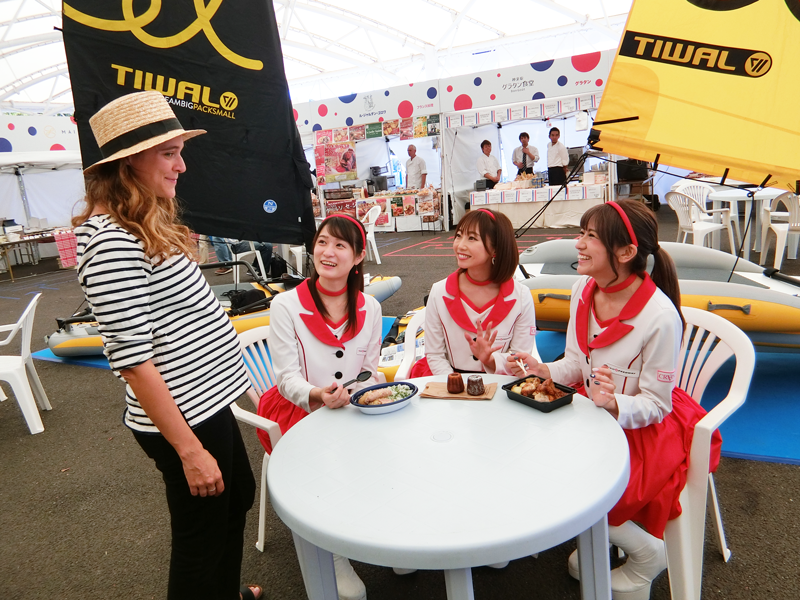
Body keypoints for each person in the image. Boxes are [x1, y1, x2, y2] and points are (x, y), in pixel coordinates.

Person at [72, 91, 261, 600]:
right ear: (129, 162)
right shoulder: (110, 242)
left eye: (180, 152)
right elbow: (134, 361)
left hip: (204, 402)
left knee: (236, 499)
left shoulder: (140, 224)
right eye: (169, 153)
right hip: (184, 417)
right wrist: (189, 450)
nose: (182, 165)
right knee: (200, 540)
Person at [507, 200, 722, 600]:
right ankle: (602, 536)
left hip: (644, 427)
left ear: (625, 253)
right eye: (581, 233)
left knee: (589, 486)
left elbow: (657, 405)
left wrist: (613, 405)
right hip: (594, 412)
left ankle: (646, 554)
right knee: (533, 462)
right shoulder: (582, 290)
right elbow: (576, 363)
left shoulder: (659, 316)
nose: (578, 243)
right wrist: (543, 370)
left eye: (590, 236)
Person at [258, 214, 381, 600]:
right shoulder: (285, 305)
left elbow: (371, 370)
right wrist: (318, 395)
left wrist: (362, 394)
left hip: (353, 406)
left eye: (340, 245)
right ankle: (333, 553)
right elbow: (286, 378)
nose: (328, 252)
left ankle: (380, 527)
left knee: (393, 446)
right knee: (324, 461)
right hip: (302, 410)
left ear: (358, 257)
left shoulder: (370, 307)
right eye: (322, 242)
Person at [411, 208, 537, 379]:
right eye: (458, 235)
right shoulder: (439, 291)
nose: (460, 245)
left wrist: (490, 361)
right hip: (448, 383)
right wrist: (456, 386)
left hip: (502, 383)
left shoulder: (521, 296)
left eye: (472, 238)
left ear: (495, 249)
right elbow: (435, 355)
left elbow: (520, 357)